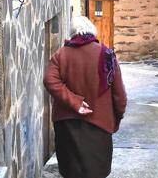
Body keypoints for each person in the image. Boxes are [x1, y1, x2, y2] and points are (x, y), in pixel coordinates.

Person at [44, 16, 127, 178]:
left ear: (72, 33)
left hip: (66, 125)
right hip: (99, 126)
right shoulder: (107, 55)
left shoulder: (61, 55)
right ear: (92, 31)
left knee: (71, 171)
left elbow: (49, 80)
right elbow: (120, 96)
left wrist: (75, 102)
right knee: (97, 172)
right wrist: (117, 116)